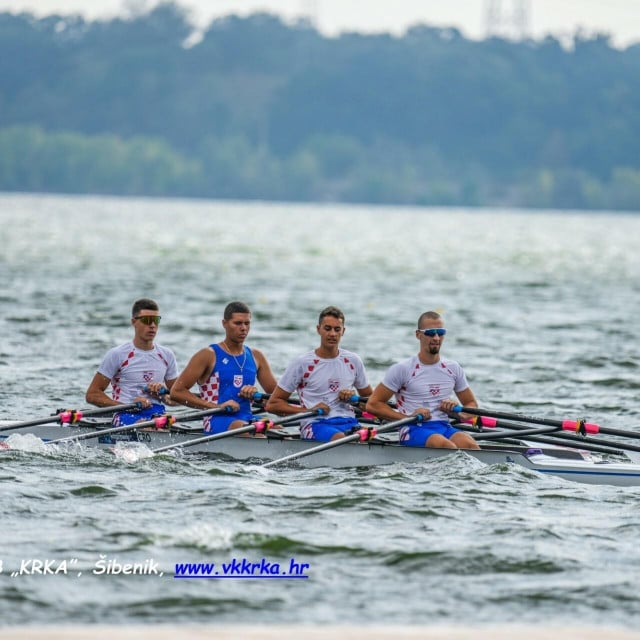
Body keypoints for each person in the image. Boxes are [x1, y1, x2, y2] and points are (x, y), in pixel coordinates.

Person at [366, 310, 480, 449]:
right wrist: (407, 417)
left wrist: (458, 413)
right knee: (445, 445)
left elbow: (471, 404)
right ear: (418, 335)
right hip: (412, 428)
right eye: (431, 333)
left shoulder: (453, 368)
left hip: (444, 426)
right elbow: (373, 404)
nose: (436, 338)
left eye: (440, 332)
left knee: (469, 444)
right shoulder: (402, 369)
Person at [266, 306, 373, 442]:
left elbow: (372, 403)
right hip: (315, 423)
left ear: (343, 331)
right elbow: (273, 404)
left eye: (337, 329)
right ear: (318, 330)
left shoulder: (353, 360)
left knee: (368, 440)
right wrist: (309, 411)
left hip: (349, 422)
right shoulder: (302, 363)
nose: (333, 334)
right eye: (327, 329)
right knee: (341, 439)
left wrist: (355, 399)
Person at [169, 301, 277, 433]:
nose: (243, 328)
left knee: (280, 431)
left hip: (247, 418)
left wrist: (258, 397)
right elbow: (176, 392)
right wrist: (217, 406)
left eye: (247, 323)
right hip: (216, 418)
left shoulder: (256, 356)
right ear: (224, 324)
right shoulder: (208, 355)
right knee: (249, 431)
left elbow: (276, 397)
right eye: (237, 323)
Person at [85, 298, 179, 426]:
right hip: (124, 413)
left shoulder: (167, 355)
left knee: (156, 426)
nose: (152, 325)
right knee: (147, 426)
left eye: (156, 320)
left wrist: (162, 395)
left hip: (156, 413)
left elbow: (177, 398)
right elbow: (92, 394)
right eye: (146, 320)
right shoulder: (117, 354)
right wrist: (127, 406)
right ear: (134, 322)